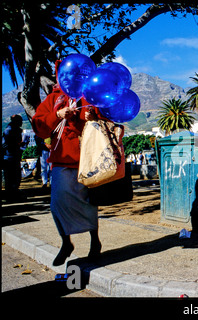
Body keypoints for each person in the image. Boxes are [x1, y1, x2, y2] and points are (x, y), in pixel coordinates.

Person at [32, 60, 105, 266]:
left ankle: (95, 242)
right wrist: (57, 114)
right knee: (56, 205)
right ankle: (66, 242)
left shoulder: (88, 96)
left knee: (89, 203)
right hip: (61, 159)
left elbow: (101, 122)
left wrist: (92, 116)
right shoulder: (53, 98)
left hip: (86, 159)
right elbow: (39, 125)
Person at [2, 114, 26, 201]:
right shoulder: (9, 131)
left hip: (13, 156)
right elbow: (5, 144)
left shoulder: (14, 130)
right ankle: (11, 195)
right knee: (11, 177)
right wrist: (16, 146)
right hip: (9, 157)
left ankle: (13, 193)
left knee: (15, 177)